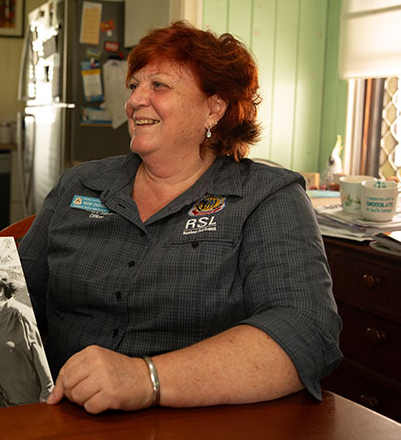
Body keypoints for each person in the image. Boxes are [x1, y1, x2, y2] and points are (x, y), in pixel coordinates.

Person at [18, 21, 342, 414]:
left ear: (214, 108)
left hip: (197, 422)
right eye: (134, 85)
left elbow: (305, 331)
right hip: (62, 412)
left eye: (159, 85)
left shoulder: (266, 197)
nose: (135, 100)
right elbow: (13, 297)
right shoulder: (80, 184)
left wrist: (145, 379)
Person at [0, 272, 53, 407]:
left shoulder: (21, 315)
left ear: (0, 291)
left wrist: (47, 393)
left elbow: (40, 354)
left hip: (25, 400)